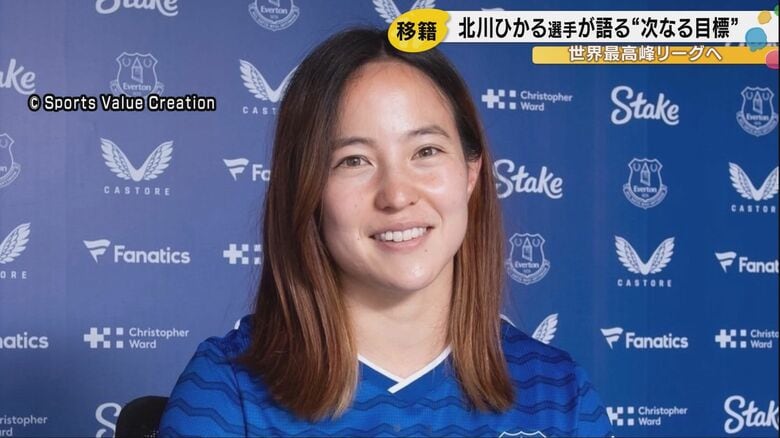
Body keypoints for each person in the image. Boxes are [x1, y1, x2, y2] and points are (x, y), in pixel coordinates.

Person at [158, 28, 612, 437]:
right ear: (306, 190)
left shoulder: (558, 394)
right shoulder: (226, 392)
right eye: (353, 160)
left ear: (470, 172)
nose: (396, 195)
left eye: (426, 151)